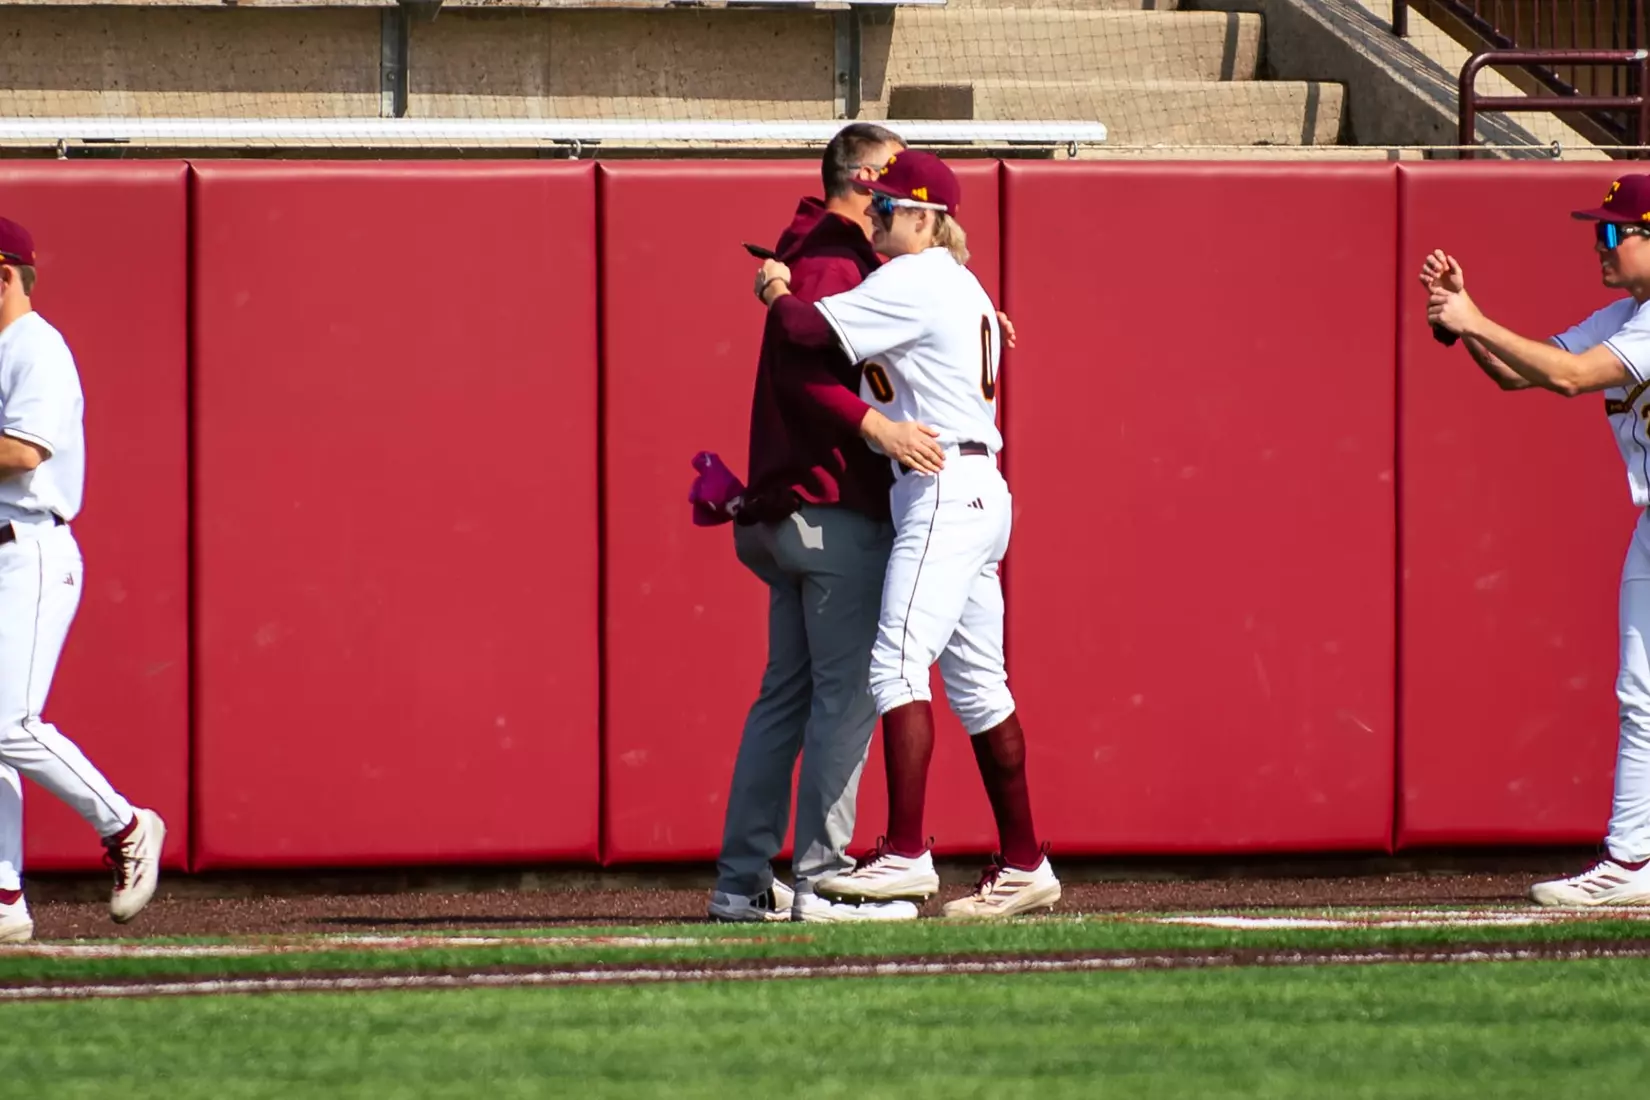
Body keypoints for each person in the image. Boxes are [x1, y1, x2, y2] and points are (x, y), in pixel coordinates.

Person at [753, 150, 1060, 919]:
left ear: (925, 217)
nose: (876, 214)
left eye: (888, 205)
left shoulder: (916, 277)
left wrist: (777, 286)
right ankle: (1025, 862)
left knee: (894, 666)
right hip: (979, 487)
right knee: (980, 687)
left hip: (941, 486)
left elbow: (803, 328)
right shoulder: (958, 283)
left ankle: (906, 852)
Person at [698, 124, 942, 923]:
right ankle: (820, 879)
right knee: (845, 703)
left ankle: (742, 882)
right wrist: (881, 431)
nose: (907, 186)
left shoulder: (811, 249)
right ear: (868, 180)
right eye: (895, 173)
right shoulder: (836, 259)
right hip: (830, 514)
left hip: (787, 515)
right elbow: (807, 375)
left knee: (786, 698)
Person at [1425, 173, 1650, 907]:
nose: (1600, 244)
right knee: (1640, 695)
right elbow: (1518, 376)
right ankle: (1633, 860)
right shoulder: (1625, 314)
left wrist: (1476, 318)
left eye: (1614, 231)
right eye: (1598, 230)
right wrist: (1462, 322)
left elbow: (1571, 377)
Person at [0, 216, 166, 943]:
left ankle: (126, 825)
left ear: (4, 275)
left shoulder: (37, 348)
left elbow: (23, 452)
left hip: (29, 549)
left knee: (8, 723)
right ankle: (4, 899)